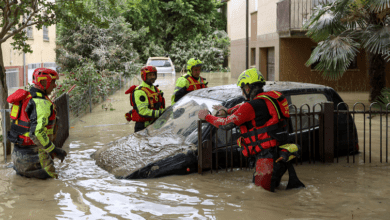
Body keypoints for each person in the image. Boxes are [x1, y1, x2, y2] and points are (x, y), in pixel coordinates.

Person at [198, 68, 305, 192]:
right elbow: (242, 107)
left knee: (261, 196)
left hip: (266, 159)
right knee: (271, 190)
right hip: (280, 154)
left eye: (242, 89)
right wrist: (226, 110)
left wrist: (206, 116)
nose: (242, 92)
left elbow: (226, 124)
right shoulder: (267, 100)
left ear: (247, 88)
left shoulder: (251, 106)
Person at [7, 68, 67, 179]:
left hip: (17, 157)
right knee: (54, 184)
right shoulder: (41, 103)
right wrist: (54, 150)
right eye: (53, 82)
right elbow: (37, 132)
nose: (55, 86)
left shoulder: (26, 97)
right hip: (35, 158)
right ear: (44, 82)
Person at [125, 65, 165, 132]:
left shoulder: (155, 89)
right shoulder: (139, 91)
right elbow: (143, 111)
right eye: (149, 75)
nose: (152, 77)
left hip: (155, 124)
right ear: (144, 76)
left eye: (153, 75)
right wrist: (161, 113)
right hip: (143, 127)